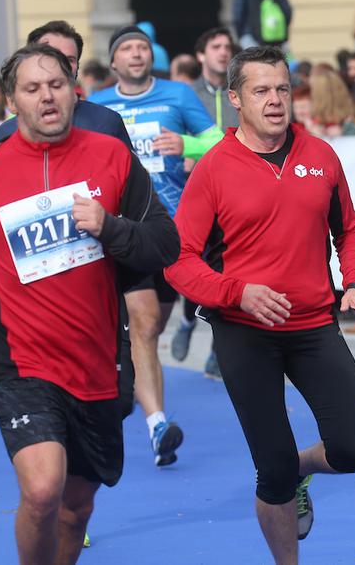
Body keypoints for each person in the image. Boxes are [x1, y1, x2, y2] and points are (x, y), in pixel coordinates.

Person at [0, 43, 179, 565]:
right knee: (44, 490)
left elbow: (165, 242)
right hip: (20, 362)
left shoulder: (111, 156)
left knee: (76, 508)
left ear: (74, 91)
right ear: (12, 102)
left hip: (97, 360)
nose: (46, 97)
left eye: (55, 85)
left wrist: (110, 227)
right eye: (32, 89)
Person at [164, 46, 355, 564]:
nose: (276, 100)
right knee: (272, 467)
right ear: (236, 98)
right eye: (261, 91)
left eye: (282, 88)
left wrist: (354, 283)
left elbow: (348, 229)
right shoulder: (214, 169)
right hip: (244, 332)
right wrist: (238, 292)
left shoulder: (321, 156)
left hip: (313, 325)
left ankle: (302, 467)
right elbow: (179, 260)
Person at [88, 25, 223, 466]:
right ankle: (157, 424)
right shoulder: (97, 106)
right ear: (113, 63)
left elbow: (221, 143)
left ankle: (128, 370)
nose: (135, 54)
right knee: (143, 324)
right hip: (125, 230)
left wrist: (190, 144)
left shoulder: (178, 96)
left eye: (142, 47)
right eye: (126, 48)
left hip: (172, 229)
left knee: (152, 326)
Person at [171, 26, 241, 378]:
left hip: (233, 193)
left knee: (226, 266)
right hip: (192, 191)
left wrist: (191, 146)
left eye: (227, 46)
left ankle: (217, 346)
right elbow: (179, 137)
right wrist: (190, 148)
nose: (223, 52)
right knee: (193, 263)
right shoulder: (185, 94)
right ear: (201, 55)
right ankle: (186, 319)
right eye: (215, 46)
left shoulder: (239, 94)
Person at [0, 21, 135, 151]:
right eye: (52, 55)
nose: (61, 65)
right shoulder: (2, 137)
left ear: (77, 67)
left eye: (69, 59)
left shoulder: (106, 122)